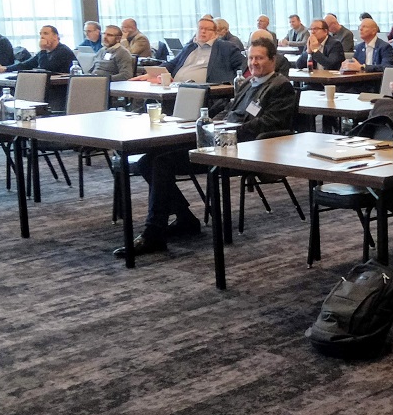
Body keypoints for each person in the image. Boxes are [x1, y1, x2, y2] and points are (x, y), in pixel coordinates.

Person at [117, 41, 297, 257]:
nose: (253, 62)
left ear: (272, 60)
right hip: (220, 140)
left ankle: (154, 233)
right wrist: (213, 124)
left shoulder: (281, 86)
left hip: (244, 148)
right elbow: (229, 111)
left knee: (162, 162)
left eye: (259, 58)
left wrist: (228, 130)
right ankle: (185, 219)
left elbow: (269, 123)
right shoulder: (249, 83)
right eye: (251, 58)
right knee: (148, 160)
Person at [133, 18, 245, 84]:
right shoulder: (190, 47)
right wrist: (152, 73)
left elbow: (244, 66)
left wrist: (230, 84)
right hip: (176, 88)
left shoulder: (226, 47)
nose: (203, 31)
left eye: (207, 29)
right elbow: (172, 64)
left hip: (209, 91)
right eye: (200, 28)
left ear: (215, 33)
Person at [0, 25, 75, 74]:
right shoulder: (45, 52)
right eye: (40, 34)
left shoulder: (63, 51)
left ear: (55, 36)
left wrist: (43, 49)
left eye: (45, 33)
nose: (42, 36)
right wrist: (5, 68)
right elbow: (26, 65)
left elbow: (45, 69)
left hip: (63, 87)